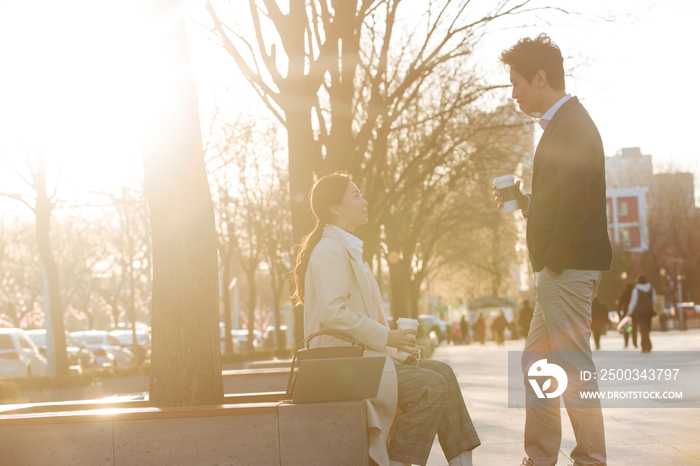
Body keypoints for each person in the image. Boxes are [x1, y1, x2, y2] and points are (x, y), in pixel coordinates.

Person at [293, 172, 480, 466]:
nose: (364, 201)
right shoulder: (330, 250)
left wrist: (394, 345)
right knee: (430, 387)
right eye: (356, 196)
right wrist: (386, 337)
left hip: (361, 360)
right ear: (335, 208)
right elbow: (333, 313)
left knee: (442, 373)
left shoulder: (346, 248)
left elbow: (359, 317)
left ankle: (463, 462)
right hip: (343, 367)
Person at [493, 34, 612, 466]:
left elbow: (576, 206)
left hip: (567, 269)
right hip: (559, 269)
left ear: (540, 78)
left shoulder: (573, 126)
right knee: (537, 363)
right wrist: (525, 202)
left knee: (571, 365)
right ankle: (540, 456)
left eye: (517, 83)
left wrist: (553, 265)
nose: (514, 93)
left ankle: (590, 459)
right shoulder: (564, 125)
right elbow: (562, 201)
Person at [625, 275, 656, 352]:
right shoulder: (651, 288)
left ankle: (644, 345)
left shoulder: (636, 290)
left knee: (643, 329)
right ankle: (648, 344)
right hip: (648, 312)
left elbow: (633, 302)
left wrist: (629, 312)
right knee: (647, 329)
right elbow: (654, 300)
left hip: (640, 313)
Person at [617, 283, 637, 348]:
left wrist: (618, 312)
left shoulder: (624, 293)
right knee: (634, 327)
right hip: (634, 312)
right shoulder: (634, 293)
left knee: (626, 327)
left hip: (625, 312)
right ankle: (634, 342)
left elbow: (619, 304)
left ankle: (626, 342)